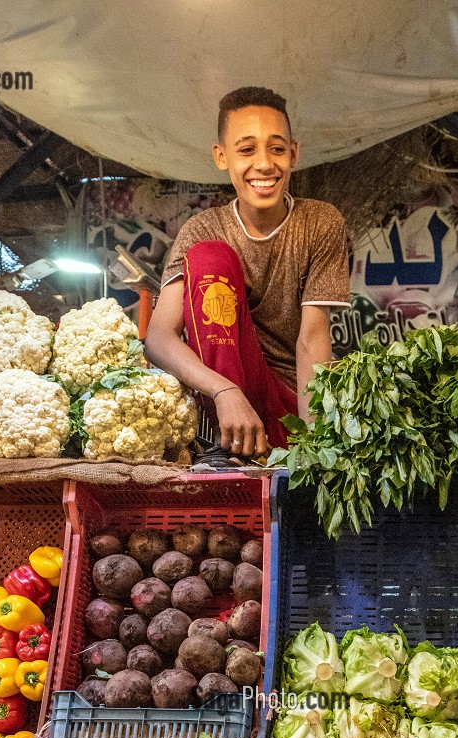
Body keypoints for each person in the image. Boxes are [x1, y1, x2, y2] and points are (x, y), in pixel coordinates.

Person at [144, 86, 351, 459]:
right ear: (221, 157)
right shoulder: (202, 229)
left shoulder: (320, 222)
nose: (264, 164)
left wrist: (315, 447)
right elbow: (158, 338)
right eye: (246, 150)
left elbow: (312, 341)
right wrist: (224, 391)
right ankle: (227, 449)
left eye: (276, 148)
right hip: (227, 412)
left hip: (292, 411)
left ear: (294, 152)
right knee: (209, 258)